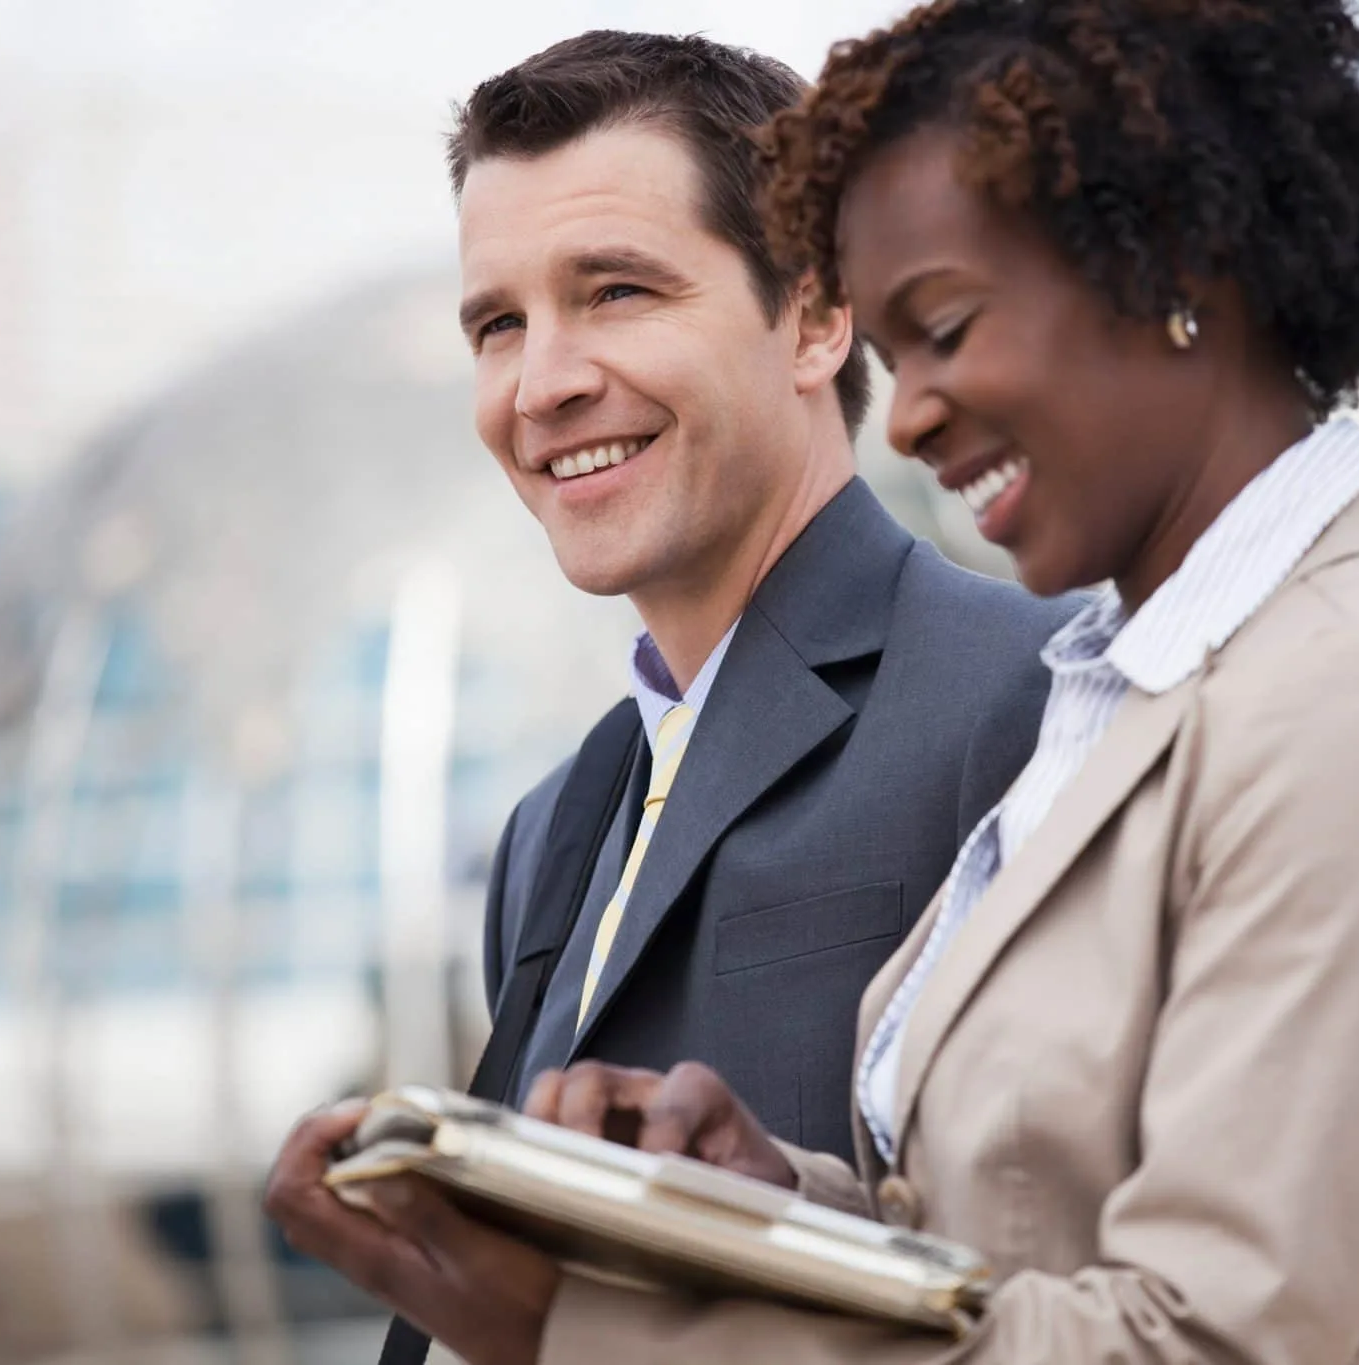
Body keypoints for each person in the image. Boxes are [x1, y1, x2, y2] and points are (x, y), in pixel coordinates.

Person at [260, 29, 1071, 1365]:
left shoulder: (1030, 700)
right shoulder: (552, 829)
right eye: (499, 324)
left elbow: (1078, 1288)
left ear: (817, 316)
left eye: (619, 291)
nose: (543, 384)